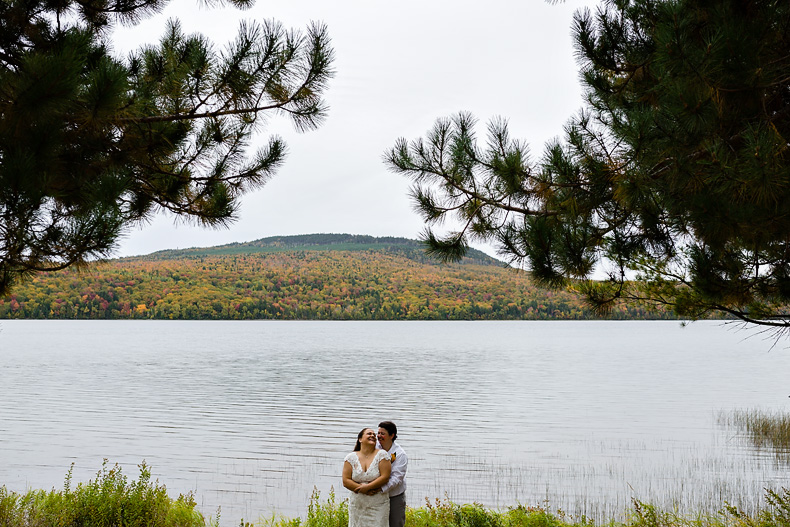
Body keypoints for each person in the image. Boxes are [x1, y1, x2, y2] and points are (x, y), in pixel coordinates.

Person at [342, 428, 392, 527]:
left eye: (374, 435)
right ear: (360, 439)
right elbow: (346, 480)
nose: (373, 436)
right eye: (369, 434)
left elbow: (385, 477)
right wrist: (363, 490)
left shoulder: (382, 455)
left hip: (378, 504)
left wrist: (368, 487)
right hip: (357, 505)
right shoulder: (350, 458)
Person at [376, 421, 407, 527]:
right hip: (376, 496)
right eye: (378, 433)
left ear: (392, 435)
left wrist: (380, 489)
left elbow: (397, 479)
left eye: (382, 434)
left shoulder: (400, 454)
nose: (379, 436)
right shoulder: (374, 448)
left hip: (394, 496)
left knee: (395, 523)